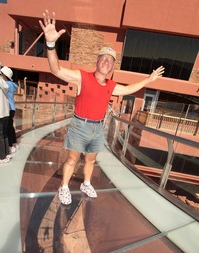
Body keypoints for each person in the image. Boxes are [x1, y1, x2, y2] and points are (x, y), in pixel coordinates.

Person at [39, 10, 165, 205]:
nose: (106, 62)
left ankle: (86, 183)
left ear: (112, 67)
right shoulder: (83, 77)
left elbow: (128, 89)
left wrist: (148, 79)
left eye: (110, 60)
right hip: (80, 125)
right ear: (97, 61)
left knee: (90, 160)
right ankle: (64, 187)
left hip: (98, 127)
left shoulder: (112, 86)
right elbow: (55, 69)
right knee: (72, 160)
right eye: (103, 58)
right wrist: (50, 43)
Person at [1, 66, 19, 153]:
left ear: (4, 75)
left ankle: (10, 145)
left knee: (7, 127)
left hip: (7, 108)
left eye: (1, 74)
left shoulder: (6, 84)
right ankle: (13, 143)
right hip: (12, 108)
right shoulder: (11, 84)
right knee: (10, 127)